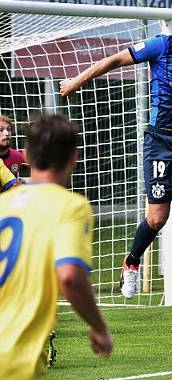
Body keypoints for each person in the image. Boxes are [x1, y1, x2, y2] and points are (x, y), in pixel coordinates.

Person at [60, 0, 172, 316]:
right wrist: (77, 82)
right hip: (161, 141)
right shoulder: (162, 45)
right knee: (157, 217)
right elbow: (115, 60)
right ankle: (131, 262)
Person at [0, 114, 113, 378]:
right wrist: (99, 327)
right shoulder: (70, 206)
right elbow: (70, 276)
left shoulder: (3, 205)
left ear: (26, 153)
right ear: (74, 156)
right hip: (14, 356)